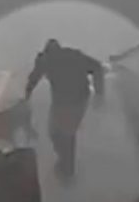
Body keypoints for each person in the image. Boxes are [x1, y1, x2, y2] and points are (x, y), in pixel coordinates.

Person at [24, 39, 105, 178]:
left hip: (67, 102)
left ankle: (67, 170)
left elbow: (34, 77)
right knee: (62, 132)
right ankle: (66, 164)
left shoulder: (46, 60)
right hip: (78, 99)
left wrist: (27, 94)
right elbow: (97, 67)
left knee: (61, 133)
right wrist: (99, 93)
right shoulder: (75, 56)